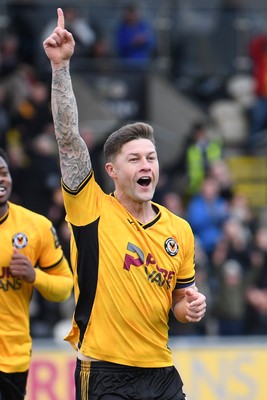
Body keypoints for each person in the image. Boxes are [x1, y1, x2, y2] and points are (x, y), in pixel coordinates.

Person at [43, 8, 206, 400]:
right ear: (112, 171)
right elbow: (68, 140)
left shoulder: (179, 231)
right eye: (135, 159)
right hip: (103, 372)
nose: (147, 165)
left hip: (162, 372)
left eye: (151, 157)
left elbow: (180, 304)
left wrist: (192, 307)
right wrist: (60, 69)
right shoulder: (91, 208)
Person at [0, 146, 73, 399]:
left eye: (3, 172)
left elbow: (65, 287)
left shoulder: (36, 226)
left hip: (13, 357)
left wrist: (35, 276)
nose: (1, 179)